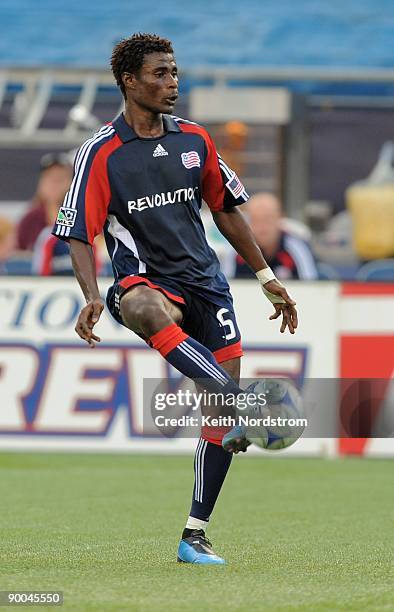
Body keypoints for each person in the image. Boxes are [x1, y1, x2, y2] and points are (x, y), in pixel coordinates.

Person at [52, 33, 298, 565]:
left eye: (175, 73)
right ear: (129, 81)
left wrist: (264, 274)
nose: (172, 84)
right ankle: (239, 402)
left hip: (208, 285)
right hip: (145, 282)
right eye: (160, 74)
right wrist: (92, 295)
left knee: (218, 417)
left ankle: (194, 534)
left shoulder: (195, 140)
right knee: (140, 306)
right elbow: (77, 231)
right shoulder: (101, 153)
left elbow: (228, 208)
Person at [234, 193, 319, 280]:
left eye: (268, 219)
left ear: (280, 218)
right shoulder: (236, 250)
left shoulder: (297, 248)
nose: (262, 227)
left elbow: (311, 285)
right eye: (255, 220)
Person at [17, 153, 73, 251]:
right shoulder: (31, 219)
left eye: (60, 178)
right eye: (49, 177)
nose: (54, 183)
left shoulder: (79, 216)